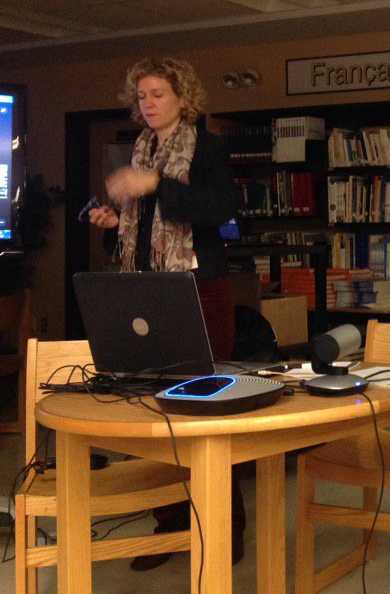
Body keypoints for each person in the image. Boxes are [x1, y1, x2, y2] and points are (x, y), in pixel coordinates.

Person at [89, 57, 245, 570]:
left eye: (158, 93)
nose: (148, 104)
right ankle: (170, 527)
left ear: (183, 97)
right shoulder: (140, 149)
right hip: (146, 288)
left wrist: (154, 186)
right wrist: (114, 218)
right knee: (154, 410)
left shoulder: (208, 147)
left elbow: (217, 208)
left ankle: (226, 529)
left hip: (200, 288)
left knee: (204, 410)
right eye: (142, 96)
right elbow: (141, 225)